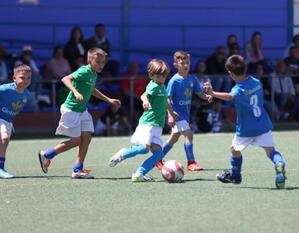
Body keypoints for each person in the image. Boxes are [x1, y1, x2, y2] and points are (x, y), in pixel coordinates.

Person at [203, 55, 287, 189]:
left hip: (246, 129)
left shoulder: (238, 89)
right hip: (263, 125)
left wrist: (212, 93)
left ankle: (235, 176)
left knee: (234, 150)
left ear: (230, 74)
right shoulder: (256, 82)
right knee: (271, 151)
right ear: (245, 69)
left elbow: (230, 97)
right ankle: (280, 164)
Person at [38, 48, 121, 179]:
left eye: (103, 62)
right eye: (98, 62)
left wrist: (109, 100)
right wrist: (75, 92)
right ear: (89, 60)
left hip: (82, 110)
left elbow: (92, 89)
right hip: (71, 109)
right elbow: (65, 79)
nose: (101, 65)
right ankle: (46, 155)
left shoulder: (94, 74)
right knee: (76, 141)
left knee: (87, 137)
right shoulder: (84, 70)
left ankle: (77, 170)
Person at [108, 59, 171, 182]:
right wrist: (145, 101)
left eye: (164, 75)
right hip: (147, 124)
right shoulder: (153, 85)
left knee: (159, 154)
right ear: (151, 75)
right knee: (143, 149)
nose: (162, 78)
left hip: (157, 126)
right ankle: (123, 153)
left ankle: (139, 173)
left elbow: (165, 102)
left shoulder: (162, 86)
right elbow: (144, 95)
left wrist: (171, 113)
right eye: (158, 75)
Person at [156, 51, 212, 171]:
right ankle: (191, 162)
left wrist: (206, 96)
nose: (186, 65)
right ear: (176, 64)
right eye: (182, 63)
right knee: (189, 135)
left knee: (173, 139)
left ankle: (157, 159)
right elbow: (167, 99)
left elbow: (199, 93)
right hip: (177, 115)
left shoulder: (192, 79)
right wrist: (170, 115)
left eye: (187, 62)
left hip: (185, 114)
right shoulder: (174, 81)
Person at [0, 64, 32, 178]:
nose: (26, 81)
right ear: (14, 78)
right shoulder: (4, 89)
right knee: (4, 138)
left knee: (4, 142)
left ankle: (1, 167)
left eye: (28, 78)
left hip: (8, 121)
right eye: (22, 78)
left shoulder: (27, 95)